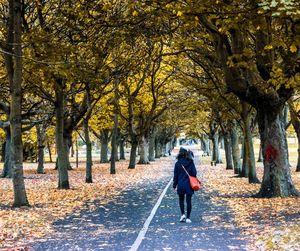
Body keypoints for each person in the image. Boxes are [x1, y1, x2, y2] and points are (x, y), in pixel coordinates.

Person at [173, 147, 197, 223]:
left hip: (180, 184)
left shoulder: (177, 163)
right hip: (189, 184)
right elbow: (194, 173)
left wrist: (174, 185)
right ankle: (188, 218)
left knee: (181, 199)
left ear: (179, 153)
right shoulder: (190, 162)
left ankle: (183, 214)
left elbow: (175, 176)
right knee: (189, 201)